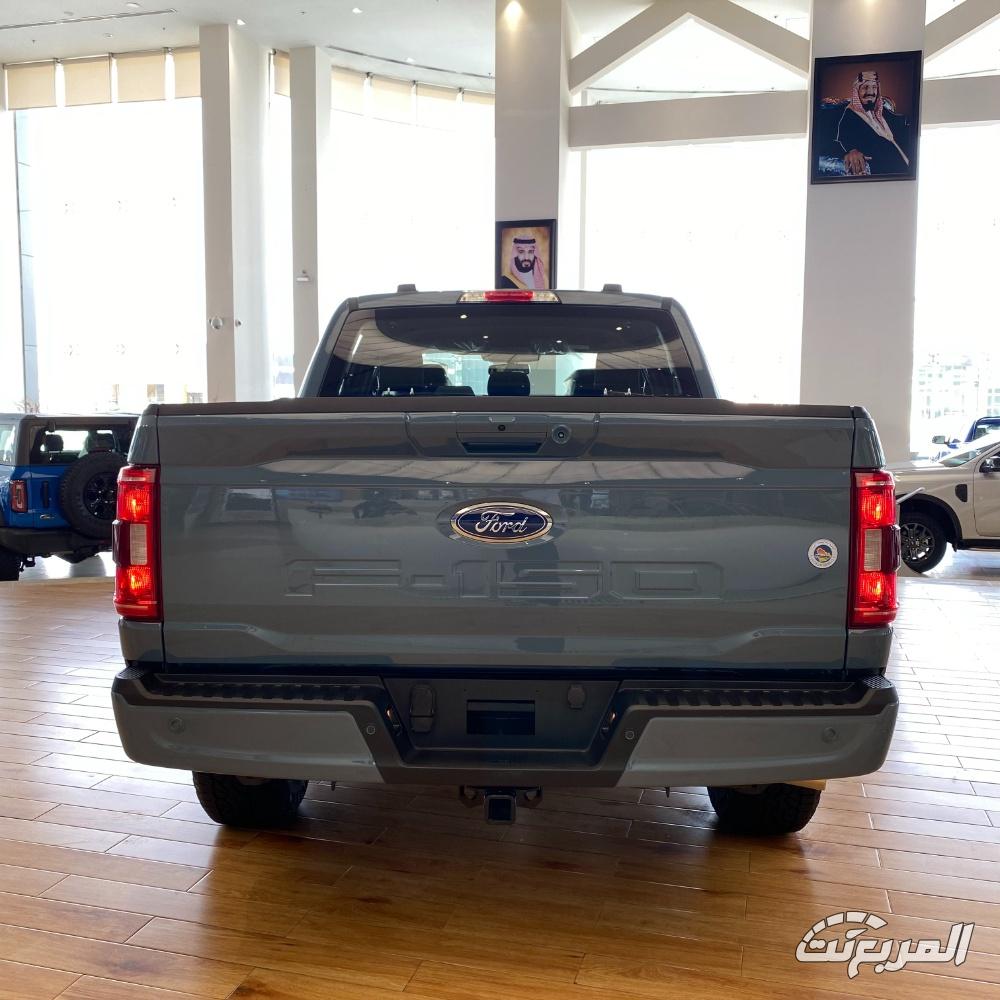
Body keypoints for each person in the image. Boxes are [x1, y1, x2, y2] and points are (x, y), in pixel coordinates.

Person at [816, 70, 914, 177]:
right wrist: (851, 151)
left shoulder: (883, 111)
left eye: (874, 87)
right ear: (857, 91)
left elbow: (901, 124)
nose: (870, 92)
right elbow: (841, 139)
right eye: (865, 87)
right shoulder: (850, 116)